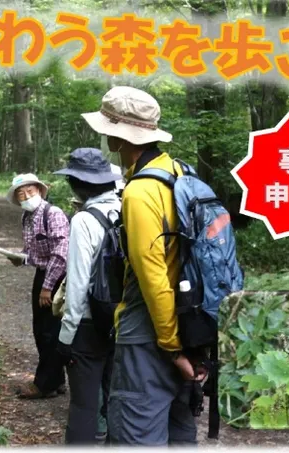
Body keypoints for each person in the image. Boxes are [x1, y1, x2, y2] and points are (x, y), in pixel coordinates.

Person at [80, 86, 207, 445]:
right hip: (190, 319)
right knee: (181, 430)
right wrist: (189, 345)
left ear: (118, 137)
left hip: (150, 335)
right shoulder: (181, 172)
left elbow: (153, 276)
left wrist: (172, 348)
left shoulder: (139, 191)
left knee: (135, 435)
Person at [52, 148, 122, 445]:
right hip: (122, 320)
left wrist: (65, 338)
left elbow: (78, 284)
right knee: (116, 400)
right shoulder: (126, 209)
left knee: (83, 405)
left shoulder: (83, 220)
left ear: (78, 184)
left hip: (90, 324)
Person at [6, 173, 70, 399]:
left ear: (40, 191)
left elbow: (61, 253)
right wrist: (20, 258)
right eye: (21, 194)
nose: (26, 197)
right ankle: (56, 379)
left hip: (57, 278)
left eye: (30, 191)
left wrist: (47, 287)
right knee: (40, 329)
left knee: (50, 332)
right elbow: (31, 251)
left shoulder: (53, 214)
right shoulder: (27, 217)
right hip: (41, 275)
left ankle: (44, 385)